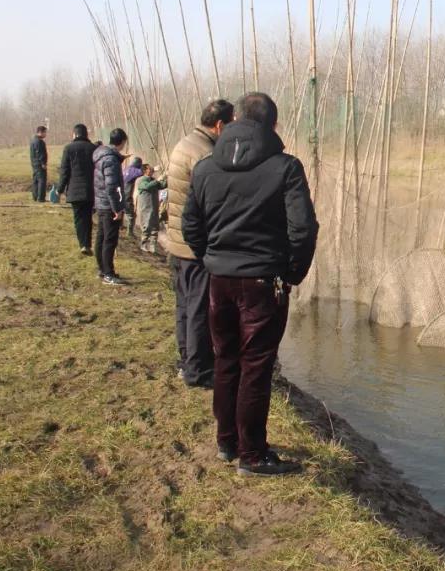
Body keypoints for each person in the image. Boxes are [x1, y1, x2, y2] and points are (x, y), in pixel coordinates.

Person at [183, 92, 319, 476]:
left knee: (226, 360)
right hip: (262, 282)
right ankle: (253, 454)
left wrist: (210, 258)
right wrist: (292, 272)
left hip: (220, 280)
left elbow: (190, 225)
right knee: (255, 367)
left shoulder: (205, 168)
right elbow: (303, 230)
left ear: (235, 121)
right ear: (272, 126)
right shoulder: (285, 168)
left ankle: (227, 441)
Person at [164, 99, 234, 389]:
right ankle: (197, 370)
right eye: (229, 125)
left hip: (178, 241)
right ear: (219, 125)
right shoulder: (204, 154)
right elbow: (209, 203)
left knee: (184, 305)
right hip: (193, 247)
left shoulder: (186, 143)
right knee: (198, 308)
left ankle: (186, 361)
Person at [93, 128, 128, 286]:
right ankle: (108, 273)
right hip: (109, 206)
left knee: (101, 237)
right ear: (121, 142)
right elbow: (111, 186)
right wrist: (117, 209)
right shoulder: (111, 160)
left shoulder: (103, 155)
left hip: (101, 203)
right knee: (109, 239)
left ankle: (102, 269)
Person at [56, 124, 97, 255]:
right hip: (90, 190)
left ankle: (83, 244)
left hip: (74, 190)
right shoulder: (93, 148)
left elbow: (64, 171)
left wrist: (60, 189)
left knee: (79, 218)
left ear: (74, 134)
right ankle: (88, 243)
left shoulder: (68, 148)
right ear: (86, 134)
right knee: (88, 217)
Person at [135, 164, 167, 254]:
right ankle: (144, 244)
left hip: (154, 207)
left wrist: (166, 177)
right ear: (145, 170)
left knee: (155, 227)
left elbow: (162, 185)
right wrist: (158, 180)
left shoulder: (153, 180)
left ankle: (153, 245)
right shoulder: (141, 180)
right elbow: (147, 187)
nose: (152, 170)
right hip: (146, 208)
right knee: (147, 225)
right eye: (150, 168)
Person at [122, 156, 144, 237]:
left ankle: (120, 226)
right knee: (131, 215)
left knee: (120, 211)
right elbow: (142, 172)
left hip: (118, 195)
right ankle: (129, 233)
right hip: (126, 196)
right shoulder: (134, 170)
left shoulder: (125, 169)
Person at [29, 126, 48, 202]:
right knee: (41, 180)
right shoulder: (39, 142)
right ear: (40, 132)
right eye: (45, 132)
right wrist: (43, 163)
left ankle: (35, 196)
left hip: (34, 163)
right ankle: (41, 198)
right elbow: (40, 153)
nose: (45, 134)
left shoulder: (33, 140)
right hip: (39, 164)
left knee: (35, 180)